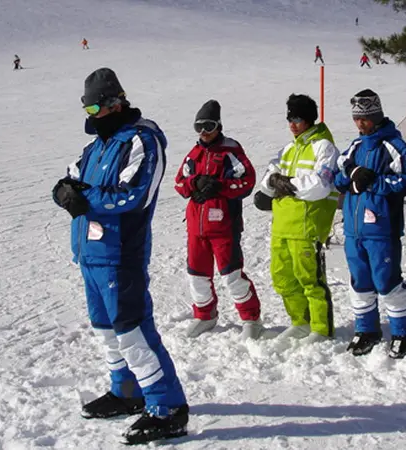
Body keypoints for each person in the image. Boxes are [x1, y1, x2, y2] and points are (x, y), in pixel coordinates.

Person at [52, 67, 188, 444]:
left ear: (115, 102)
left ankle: (168, 406)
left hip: (120, 252)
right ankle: (126, 391)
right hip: (90, 254)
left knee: (132, 330)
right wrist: (63, 192)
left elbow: (134, 194)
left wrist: (82, 198)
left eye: (95, 106)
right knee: (106, 331)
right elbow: (70, 179)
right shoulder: (95, 147)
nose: (90, 114)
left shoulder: (141, 140)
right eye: (86, 108)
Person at [334, 90, 406, 358]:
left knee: (386, 281)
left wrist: (374, 182)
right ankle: (366, 329)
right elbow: (339, 173)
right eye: (357, 118)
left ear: (377, 115)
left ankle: (403, 332)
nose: (360, 124)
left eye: (365, 118)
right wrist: (352, 174)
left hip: (381, 228)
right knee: (360, 281)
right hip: (354, 228)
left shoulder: (393, 144)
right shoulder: (357, 146)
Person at [173, 100, 263, 340]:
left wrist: (219, 186)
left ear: (219, 126)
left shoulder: (230, 151)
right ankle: (205, 315)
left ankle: (251, 318)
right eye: (198, 127)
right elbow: (179, 183)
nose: (204, 132)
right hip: (196, 227)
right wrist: (195, 184)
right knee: (197, 275)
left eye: (209, 126)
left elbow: (247, 181)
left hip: (223, 226)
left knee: (231, 275)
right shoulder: (194, 154)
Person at [258, 94, 340, 343]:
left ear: (309, 119)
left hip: (307, 225)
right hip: (282, 225)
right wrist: (273, 181)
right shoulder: (288, 149)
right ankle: (300, 321)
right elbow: (268, 176)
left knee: (310, 280)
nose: (292, 124)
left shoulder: (324, 147)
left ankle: (321, 328)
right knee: (282, 278)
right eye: (289, 119)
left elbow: (321, 185)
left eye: (297, 119)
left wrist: (288, 184)